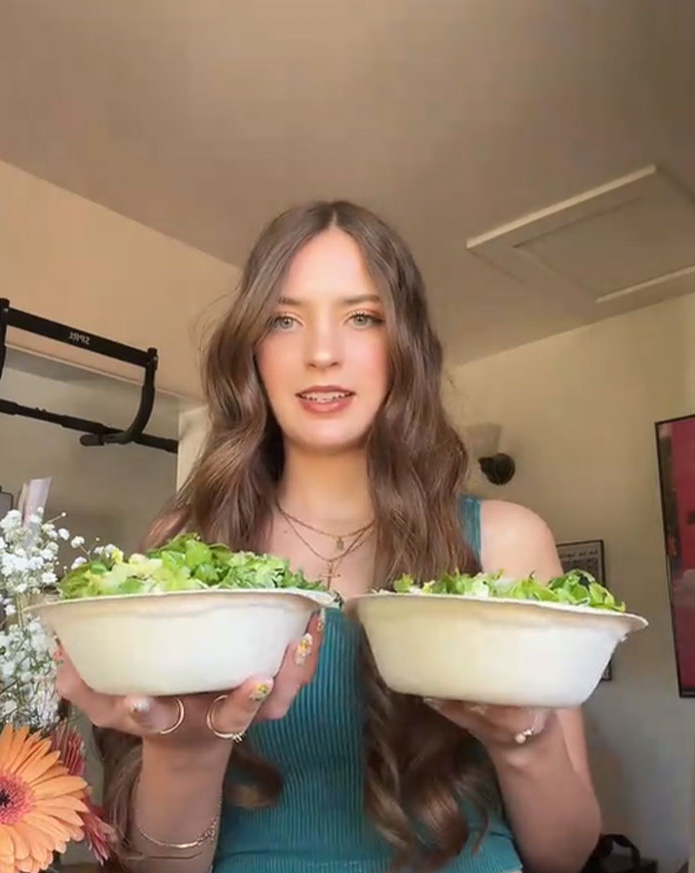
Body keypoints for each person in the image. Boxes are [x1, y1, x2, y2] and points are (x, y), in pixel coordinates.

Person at [57, 200, 602, 873]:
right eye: (284, 320)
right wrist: (189, 751)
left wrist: (525, 741)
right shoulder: (181, 547)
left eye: (362, 317)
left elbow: (566, 853)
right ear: (253, 349)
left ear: (404, 347)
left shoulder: (509, 542)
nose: (321, 352)